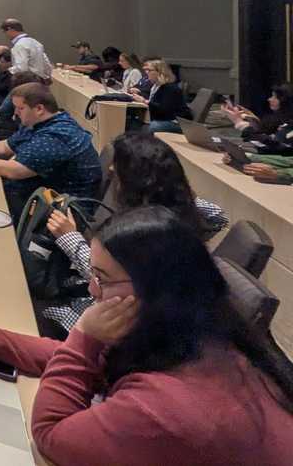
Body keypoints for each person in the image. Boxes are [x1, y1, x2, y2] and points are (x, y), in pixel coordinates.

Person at [0, 207, 293, 466]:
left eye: (103, 278)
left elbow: (51, 435)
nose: (93, 289)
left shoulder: (170, 405)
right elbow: (103, 363)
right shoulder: (201, 333)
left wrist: (83, 333)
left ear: (156, 288)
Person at [39, 133, 228, 334]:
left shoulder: (149, 230)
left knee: (38, 310)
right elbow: (218, 217)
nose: (112, 175)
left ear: (134, 180)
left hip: (122, 321)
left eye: (117, 173)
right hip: (136, 311)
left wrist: (68, 236)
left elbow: (106, 280)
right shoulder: (178, 214)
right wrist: (175, 192)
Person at [0, 82, 102, 218]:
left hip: (61, 211)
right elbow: (5, 147)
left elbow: (15, 171)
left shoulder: (58, 134)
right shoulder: (38, 122)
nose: (15, 112)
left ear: (39, 109)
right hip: (40, 194)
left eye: (20, 108)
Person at [128, 59, 190, 133]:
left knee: (153, 126)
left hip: (176, 122)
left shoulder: (170, 88)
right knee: (131, 122)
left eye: (149, 70)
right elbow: (154, 101)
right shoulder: (156, 86)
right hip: (162, 119)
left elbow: (164, 109)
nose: (146, 72)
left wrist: (144, 101)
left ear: (159, 72)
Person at [223, 83, 293, 139]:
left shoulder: (288, 125)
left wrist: (238, 122)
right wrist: (253, 119)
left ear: (285, 101)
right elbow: (264, 130)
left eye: (274, 97)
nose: (269, 99)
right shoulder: (279, 118)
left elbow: (268, 143)